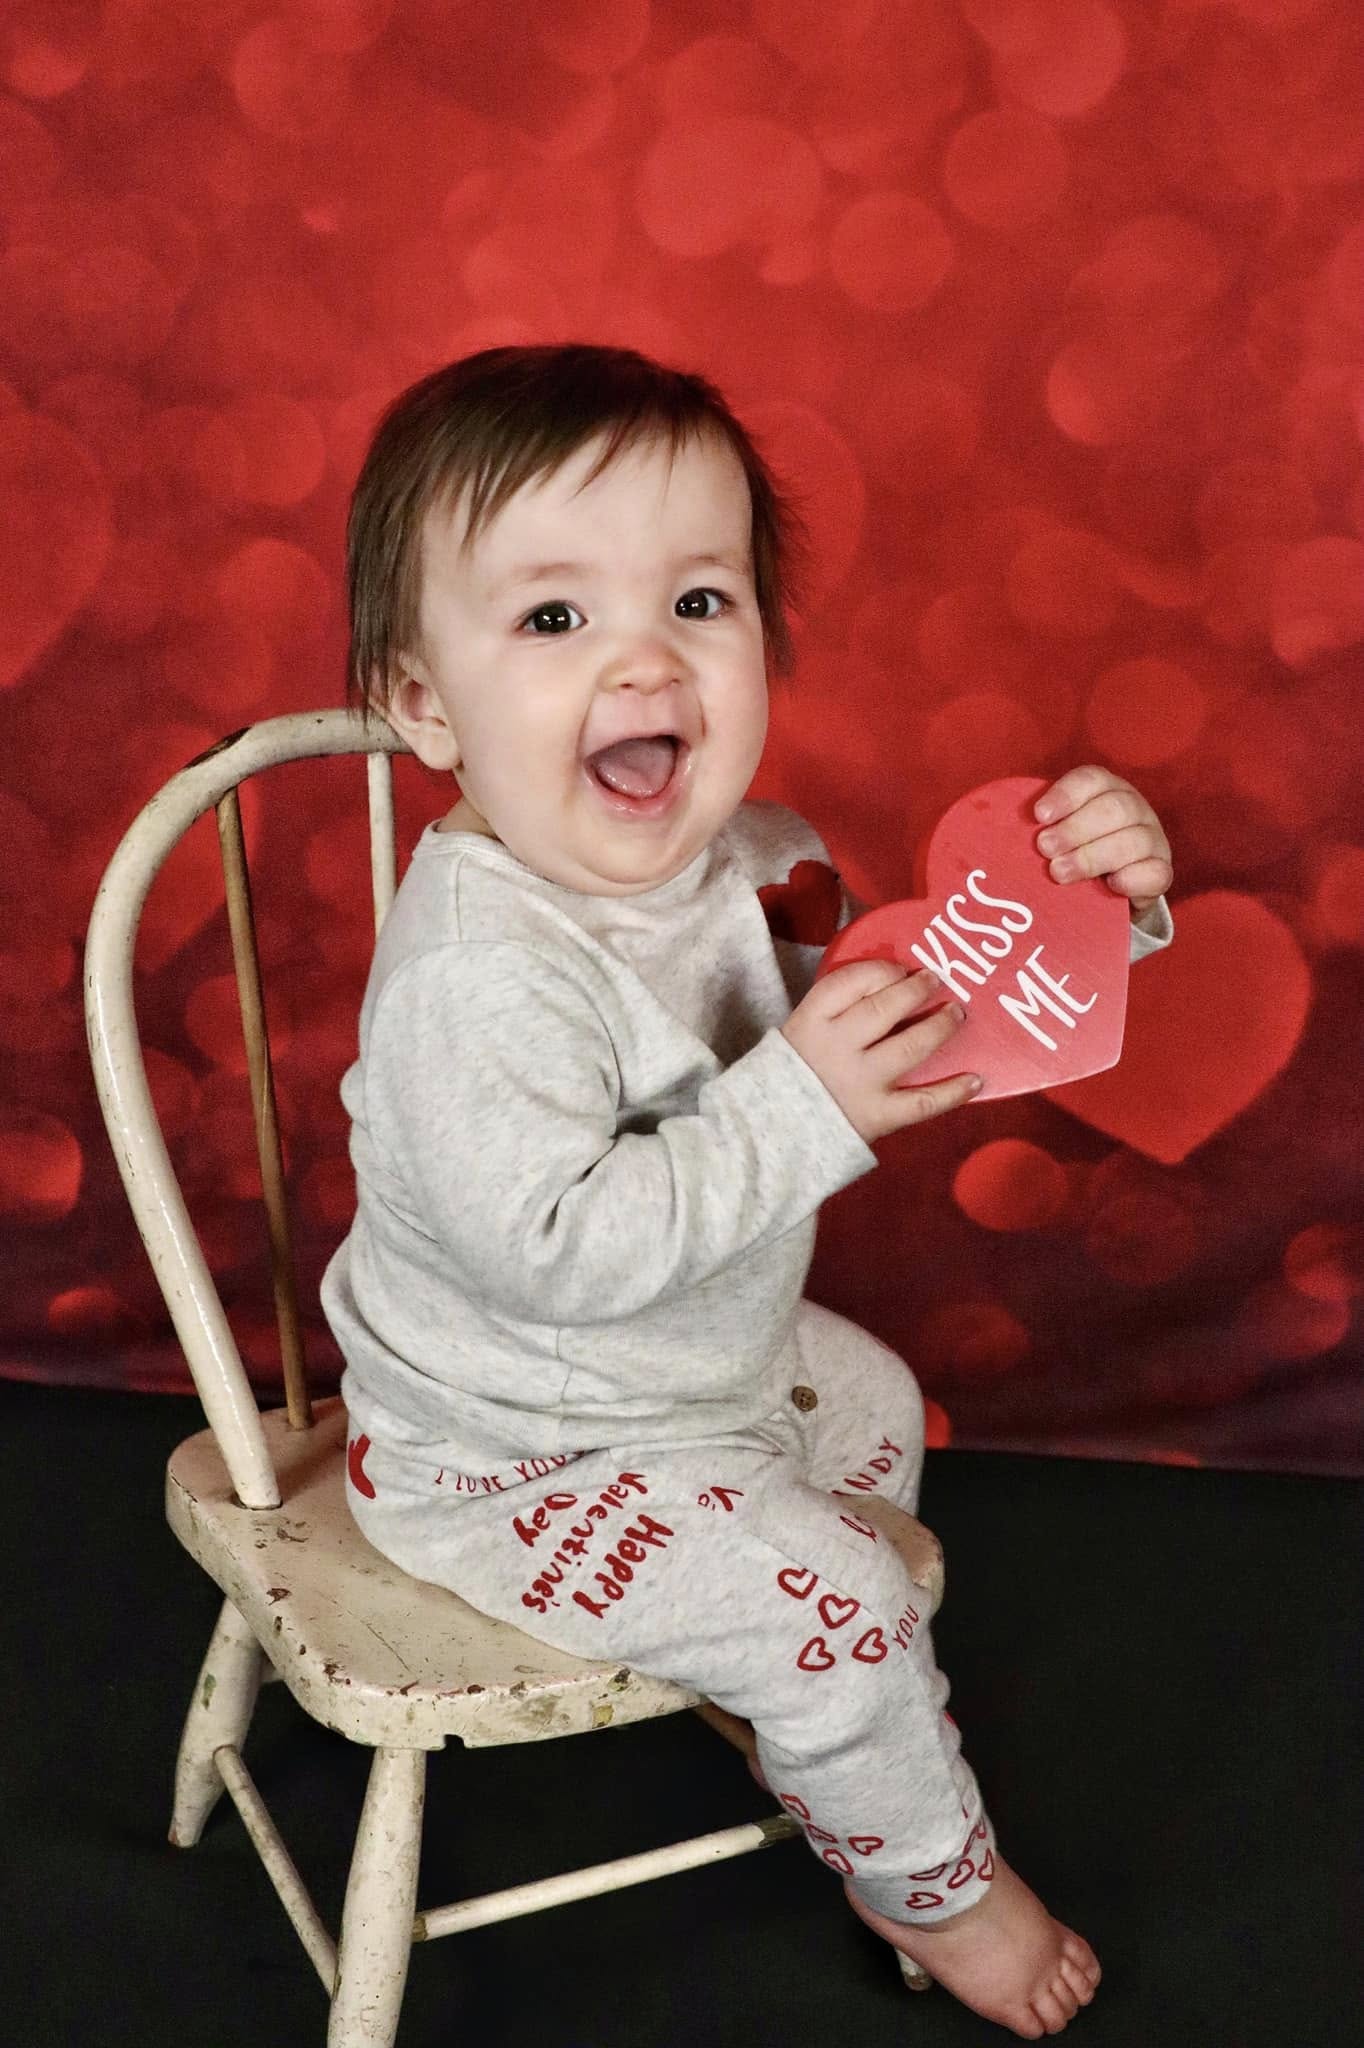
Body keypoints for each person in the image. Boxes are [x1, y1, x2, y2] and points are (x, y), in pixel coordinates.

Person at [321, 344, 1174, 2039]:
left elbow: (928, 1016)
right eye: (553, 618)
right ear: (427, 706)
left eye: (698, 601)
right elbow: (557, 1253)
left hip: (692, 1378)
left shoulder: (758, 861)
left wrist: (1093, 906)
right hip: (511, 1450)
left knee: (875, 1404)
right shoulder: (476, 979)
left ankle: (782, 1684)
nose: (644, 656)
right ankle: (935, 1883)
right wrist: (801, 1101)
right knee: (850, 1610)